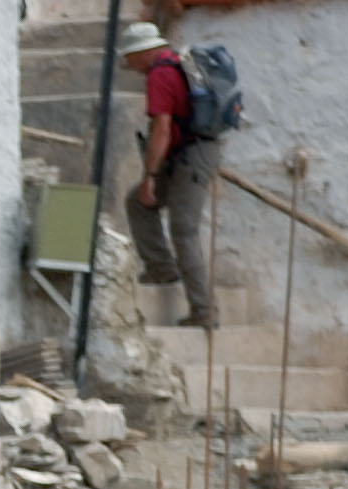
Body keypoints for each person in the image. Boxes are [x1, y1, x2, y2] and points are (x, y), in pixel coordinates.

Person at [122, 22, 217, 332]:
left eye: (130, 57)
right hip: (186, 155)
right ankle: (161, 268)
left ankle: (204, 311)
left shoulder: (160, 75)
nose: (129, 65)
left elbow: (161, 130)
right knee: (137, 203)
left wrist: (150, 175)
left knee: (184, 230)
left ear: (142, 52)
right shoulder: (175, 64)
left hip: (189, 158)